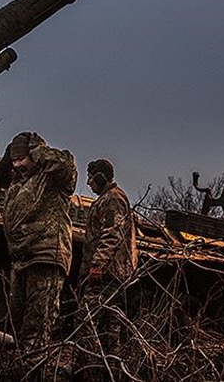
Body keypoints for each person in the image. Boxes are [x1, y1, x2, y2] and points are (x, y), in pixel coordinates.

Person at [0, 132, 76, 380]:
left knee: (38, 321)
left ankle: (32, 373)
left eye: (22, 159)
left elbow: (66, 164)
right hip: (22, 257)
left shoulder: (53, 177)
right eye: (15, 160)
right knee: (17, 320)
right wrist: (9, 156)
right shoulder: (16, 177)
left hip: (46, 256)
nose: (17, 164)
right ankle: (20, 370)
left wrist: (36, 150)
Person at [77, 158, 138, 381]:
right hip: (110, 274)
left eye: (91, 177)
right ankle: (109, 372)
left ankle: (83, 371)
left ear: (101, 177)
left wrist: (97, 265)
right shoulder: (108, 198)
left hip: (107, 275)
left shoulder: (113, 199)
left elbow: (111, 234)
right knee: (108, 327)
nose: (89, 182)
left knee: (86, 321)